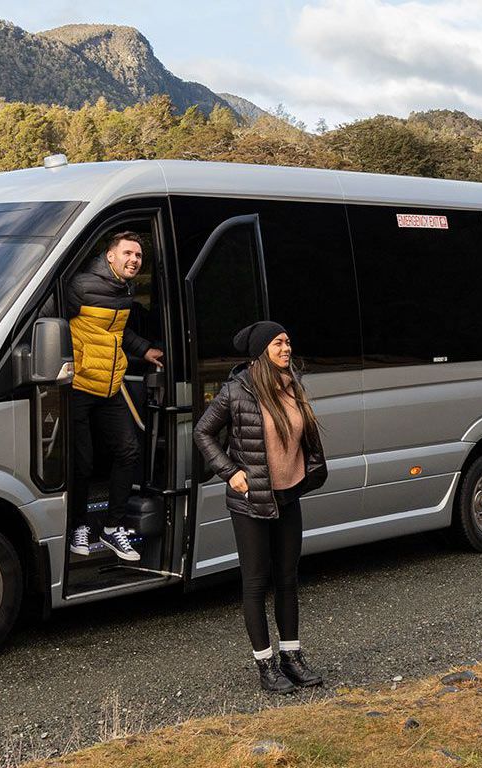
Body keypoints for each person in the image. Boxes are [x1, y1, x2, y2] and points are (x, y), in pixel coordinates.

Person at [194, 321, 328, 694]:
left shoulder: (293, 386)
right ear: (261, 350)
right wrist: (229, 471)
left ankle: (292, 656)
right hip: (250, 500)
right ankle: (265, 664)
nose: (287, 348)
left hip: (287, 495)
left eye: (288, 341)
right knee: (256, 583)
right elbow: (202, 431)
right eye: (279, 343)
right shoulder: (237, 391)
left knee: (288, 579)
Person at [65, 231, 164, 562]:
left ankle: (112, 528)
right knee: (82, 462)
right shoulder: (80, 286)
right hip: (79, 385)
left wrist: (145, 350)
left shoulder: (125, 291)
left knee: (128, 451)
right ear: (110, 256)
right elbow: (52, 321)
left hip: (110, 385)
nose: (134, 259)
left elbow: (117, 333)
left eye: (138, 255)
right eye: (128, 253)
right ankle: (77, 525)